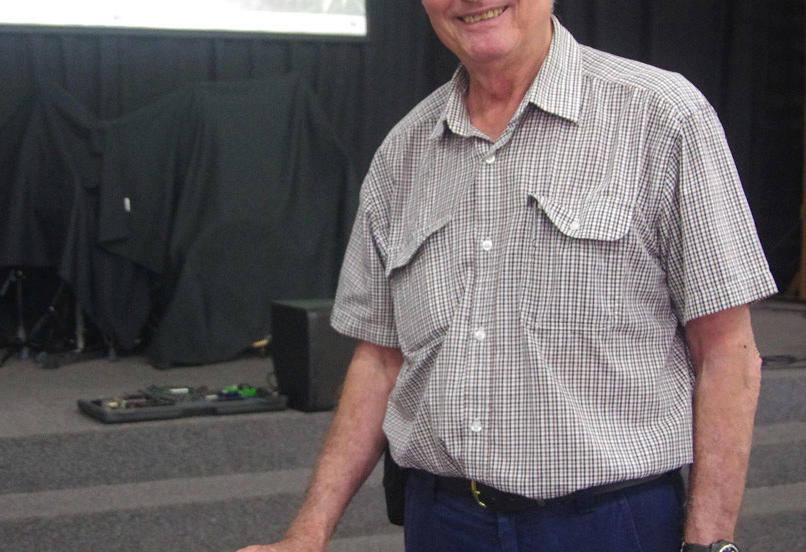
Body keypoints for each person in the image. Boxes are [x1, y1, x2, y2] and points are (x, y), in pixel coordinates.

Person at [237, 1, 778, 551]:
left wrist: (710, 545)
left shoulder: (662, 117)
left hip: (612, 525)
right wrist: (307, 533)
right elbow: (379, 360)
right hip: (442, 523)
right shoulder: (402, 154)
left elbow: (727, 352)